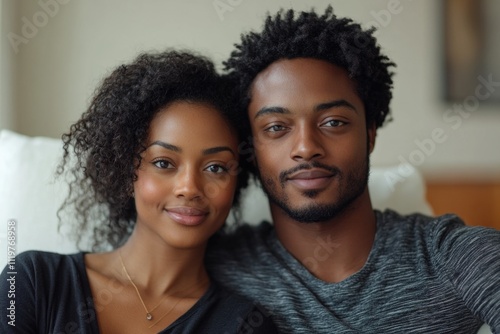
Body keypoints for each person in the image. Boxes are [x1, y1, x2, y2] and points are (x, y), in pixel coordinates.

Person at [205, 6, 500, 333]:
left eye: (333, 122)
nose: (305, 147)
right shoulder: (210, 266)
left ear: (370, 134)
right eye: (276, 127)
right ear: (251, 147)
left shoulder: (455, 255)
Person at [0, 50, 277, 333]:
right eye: (163, 163)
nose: (189, 188)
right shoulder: (31, 282)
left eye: (216, 167)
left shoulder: (245, 325)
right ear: (125, 168)